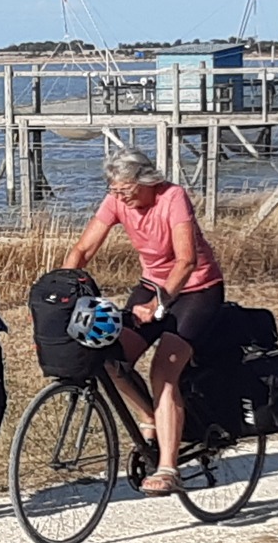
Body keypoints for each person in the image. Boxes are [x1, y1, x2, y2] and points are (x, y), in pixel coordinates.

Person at [62, 147, 224, 495]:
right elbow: (83, 250)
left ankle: (168, 468)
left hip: (197, 291)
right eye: (115, 191)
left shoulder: (172, 197)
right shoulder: (117, 200)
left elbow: (186, 261)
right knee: (109, 358)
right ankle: (152, 416)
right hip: (151, 284)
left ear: (146, 181)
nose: (120, 197)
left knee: (162, 374)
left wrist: (157, 305)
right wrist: (58, 292)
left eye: (126, 190)